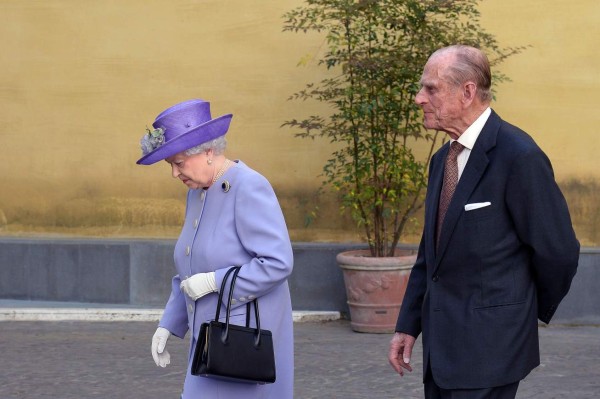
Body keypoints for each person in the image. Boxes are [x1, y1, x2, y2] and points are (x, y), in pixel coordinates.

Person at [388, 45, 579, 398]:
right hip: (441, 352)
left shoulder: (519, 156)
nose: (419, 99)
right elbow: (431, 256)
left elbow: (559, 252)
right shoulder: (441, 160)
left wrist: (515, 311)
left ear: (467, 92)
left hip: (492, 349)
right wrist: (408, 326)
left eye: (430, 88)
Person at [137, 99, 294, 398]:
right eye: (170, 165)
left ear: (208, 151)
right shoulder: (198, 193)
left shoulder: (248, 186)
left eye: (179, 163)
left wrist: (214, 282)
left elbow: (277, 262)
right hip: (211, 344)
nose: (174, 173)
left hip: (243, 343)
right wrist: (169, 324)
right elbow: (189, 267)